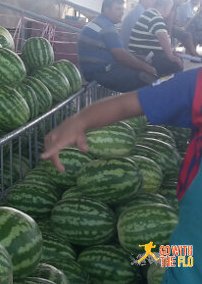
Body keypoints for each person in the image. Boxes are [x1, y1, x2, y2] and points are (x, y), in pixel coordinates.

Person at [41, 67, 202, 284]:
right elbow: (129, 103)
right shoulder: (197, 83)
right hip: (190, 246)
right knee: (173, 264)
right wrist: (79, 121)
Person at [77, 0, 157, 92]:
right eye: (118, 9)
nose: (122, 12)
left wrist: (139, 58)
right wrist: (147, 67)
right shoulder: (107, 27)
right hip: (100, 73)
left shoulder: (98, 22)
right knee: (145, 78)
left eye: (122, 9)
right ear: (107, 10)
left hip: (91, 70)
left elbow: (118, 51)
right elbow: (121, 56)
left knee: (140, 70)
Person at [129, 0, 184, 77]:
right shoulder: (156, 17)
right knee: (176, 64)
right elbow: (163, 37)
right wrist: (170, 56)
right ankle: (158, 82)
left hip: (143, 51)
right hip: (144, 54)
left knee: (177, 59)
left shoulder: (149, 13)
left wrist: (171, 51)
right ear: (165, 8)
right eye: (170, 9)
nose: (169, 12)